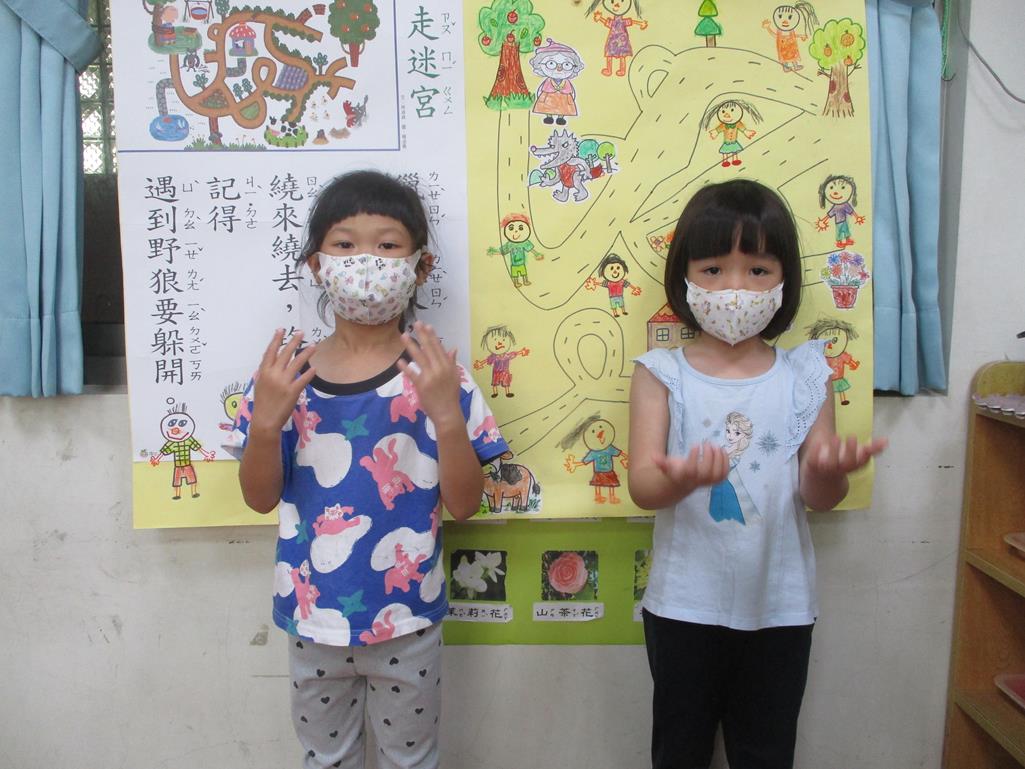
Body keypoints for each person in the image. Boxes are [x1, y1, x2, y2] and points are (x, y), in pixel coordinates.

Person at [227, 170, 509, 769]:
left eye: (387, 245)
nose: (365, 261)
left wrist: (446, 416)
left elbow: (466, 504)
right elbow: (257, 498)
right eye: (345, 244)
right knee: (326, 759)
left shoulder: (441, 376)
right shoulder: (286, 378)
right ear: (316, 264)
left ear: (420, 267)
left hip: (409, 619)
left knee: (413, 761)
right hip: (312, 618)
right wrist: (266, 424)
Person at [627, 179, 887, 769]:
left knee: (766, 753)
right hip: (682, 607)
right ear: (684, 276)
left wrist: (828, 470)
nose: (735, 288)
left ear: (785, 278)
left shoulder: (806, 375)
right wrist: (681, 479)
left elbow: (821, 497)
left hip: (781, 607)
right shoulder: (660, 372)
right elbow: (643, 486)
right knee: (678, 752)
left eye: (758, 270)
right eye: (713, 269)